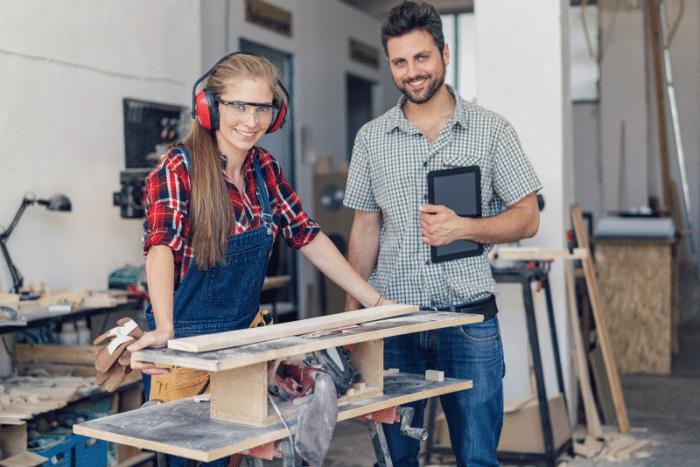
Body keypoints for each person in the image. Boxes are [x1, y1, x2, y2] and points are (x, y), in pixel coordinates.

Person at [127, 52, 390, 467]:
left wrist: (374, 302)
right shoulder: (178, 167)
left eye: (262, 108)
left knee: (244, 456)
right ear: (210, 107)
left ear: (277, 111)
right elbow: (160, 245)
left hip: (245, 348)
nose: (251, 120)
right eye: (239, 106)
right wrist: (164, 327)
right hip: (188, 350)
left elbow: (307, 235)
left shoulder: (264, 167)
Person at [343, 2, 543, 466]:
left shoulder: (492, 131)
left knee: (476, 459)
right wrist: (350, 317)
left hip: (469, 323)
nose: (412, 72)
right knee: (395, 459)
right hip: (394, 323)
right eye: (399, 61)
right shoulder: (371, 138)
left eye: (422, 58)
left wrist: (464, 227)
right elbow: (365, 227)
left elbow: (527, 217)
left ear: (445, 54)